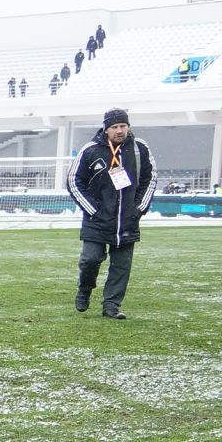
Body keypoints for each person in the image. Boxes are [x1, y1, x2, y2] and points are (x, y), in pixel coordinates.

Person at [68, 108, 154, 320]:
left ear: (128, 127)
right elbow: (73, 181)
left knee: (121, 266)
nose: (119, 131)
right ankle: (85, 289)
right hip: (97, 220)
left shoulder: (139, 148)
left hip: (127, 221)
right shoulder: (91, 150)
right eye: (114, 127)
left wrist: (138, 209)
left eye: (123, 126)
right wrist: (93, 210)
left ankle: (112, 305)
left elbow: (150, 179)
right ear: (106, 129)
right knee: (90, 259)